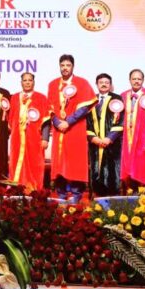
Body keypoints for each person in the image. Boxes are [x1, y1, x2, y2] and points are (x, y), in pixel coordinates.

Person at [47, 54, 96, 198]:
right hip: (59, 130)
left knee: (75, 160)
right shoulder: (53, 84)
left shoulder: (82, 83)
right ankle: (61, 193)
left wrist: (68, 122)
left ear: (73, 66)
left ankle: (76, 193)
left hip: (75, 128)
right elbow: (49, 108)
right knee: (59, 161)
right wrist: (57, 122)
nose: (65, 68)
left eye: (68, 65)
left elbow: (84, 108)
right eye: (62, 65)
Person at [8, 73, 50, 191]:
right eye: (25, 80)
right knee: (16, 162)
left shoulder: (41, 98)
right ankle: (16, 188)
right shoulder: (14, 98)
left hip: (35, 138)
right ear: (21, 82)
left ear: (33, 82)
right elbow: (10, 119)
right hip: (17, 138)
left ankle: (34, 190)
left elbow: (46, 120)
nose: (27, 82)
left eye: (30, 80)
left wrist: (45, 138)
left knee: (35, 163)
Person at [86, 73, 124, 197]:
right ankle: (97, 198)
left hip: (113, 144)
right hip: (95, 144)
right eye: (101, 82)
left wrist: (109, 138)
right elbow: (87, 121)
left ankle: (114, 199)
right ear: (96, 84)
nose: (104, 84)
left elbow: (121, 120)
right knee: (96, 170)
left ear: (110, 85)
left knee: (113, 171)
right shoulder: (91, 100)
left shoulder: (117, 99)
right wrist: (93, 138)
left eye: (107, 82)